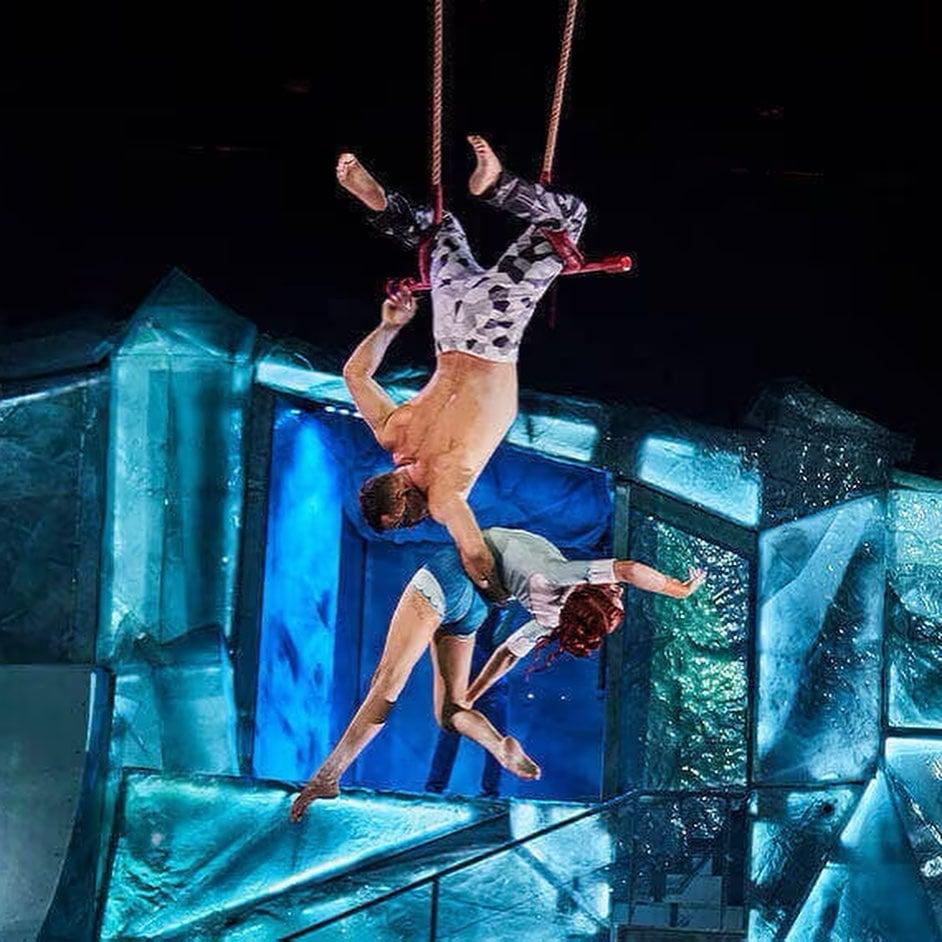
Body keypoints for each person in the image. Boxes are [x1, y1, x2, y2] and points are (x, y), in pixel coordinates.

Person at [290, 527, 705, 821]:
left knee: (388, 680)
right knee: (449, 711)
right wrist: (470, 693)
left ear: (594, 592)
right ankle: (495, 742)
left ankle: (329, 775)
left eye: (613, 595)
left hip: (449, 578)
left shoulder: (568, 576)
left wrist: (678, 588)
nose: (618, 590)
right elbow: (508, 654)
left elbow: (629, 569)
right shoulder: (552, 618)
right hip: (476, 609)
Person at [337, 136, 589, 598]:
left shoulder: (443, 494)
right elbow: (354, 375)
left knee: (570, 219)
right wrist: (389, 326)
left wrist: (497, 594)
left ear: (405, 511)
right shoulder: (393, 433)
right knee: (437, 229)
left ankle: (495, 185)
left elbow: (473, 552)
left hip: (493, 330)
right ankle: (383, 204)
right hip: (451, 325)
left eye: (404, 525)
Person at [424, 605, 527, 798]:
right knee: (450, 734)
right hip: (466, 679)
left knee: (495, 738)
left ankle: (489, 791)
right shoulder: (469, 606)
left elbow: (505, 647)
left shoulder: (502, 610)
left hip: (489, 685)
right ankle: (435, 788)